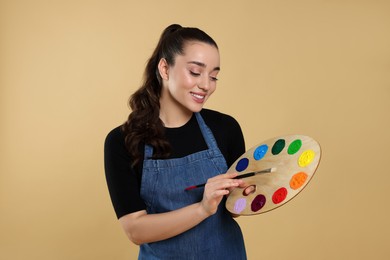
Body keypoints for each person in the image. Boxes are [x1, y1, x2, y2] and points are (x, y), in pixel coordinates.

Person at [104, 24, 247, 259]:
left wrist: (247, 198)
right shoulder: (122, 141)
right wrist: (202, 208)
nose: (206, 85)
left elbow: (234, 211)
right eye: (195, 72)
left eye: (213, 76)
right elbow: (135, 230)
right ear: (164, 68)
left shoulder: (226, 128)